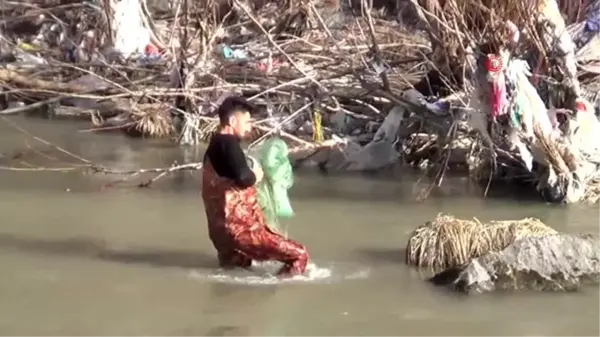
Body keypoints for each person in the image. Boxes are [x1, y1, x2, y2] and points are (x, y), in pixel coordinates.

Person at [201, 96, 309, 276]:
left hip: (221, 233)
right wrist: (257, 175)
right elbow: (244, 178)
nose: (250, 126)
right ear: (233, 121)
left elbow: (231, 176)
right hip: (241, 231)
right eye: (247, 121)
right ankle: (277, 290)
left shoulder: (214, 145)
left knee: (234, 274)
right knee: (299, 255)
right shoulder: (228, 142)